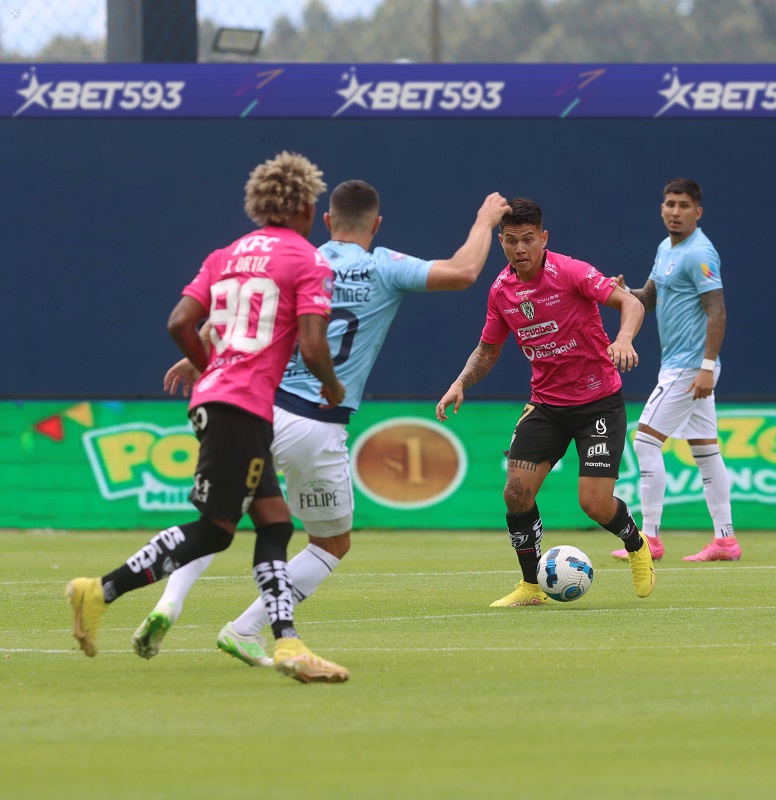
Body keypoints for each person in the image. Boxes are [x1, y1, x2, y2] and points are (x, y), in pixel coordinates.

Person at [135, 182, 512, 667]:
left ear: (328, 222)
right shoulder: (383, 267)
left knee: (217, 519)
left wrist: (202, 356)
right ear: (375, 226)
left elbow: (238, 315)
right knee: (330, 544)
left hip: (261, 410)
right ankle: (244, 628)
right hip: (320, 425)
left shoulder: (299, 262)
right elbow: (463, 272)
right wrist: (484, 221)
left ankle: (169, 603)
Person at [65, 151, 351, 683]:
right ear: (306, 206)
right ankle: (98, 591)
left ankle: (286, 643)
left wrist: (212, 366)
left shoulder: (225, 255)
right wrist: (332, 388)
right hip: (243, 406)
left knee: (274, 522)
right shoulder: (308, 261)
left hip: (217, 400)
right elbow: (313, 346)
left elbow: (180, 321)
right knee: (215, 530)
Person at [435, 197, 654, 606]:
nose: (520, 249)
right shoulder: (501, 291)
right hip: (547, 407)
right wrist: (460, 382)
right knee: (516, 493)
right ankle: (531, 587)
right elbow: (488, 349)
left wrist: (622, 339)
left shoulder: (570, 271)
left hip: (598, 403)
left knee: (593, 504)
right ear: (501, 240)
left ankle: (635, 542)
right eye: (512, 240)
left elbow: (632, 302)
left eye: (528, 240)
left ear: (544, 238)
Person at [611, 177, 738, 563]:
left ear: (697, 212)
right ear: (662, 208)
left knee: (645, 442)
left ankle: (649, 538)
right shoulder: (666, 247)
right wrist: (625, 292)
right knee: (706, 451)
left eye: (684, 205)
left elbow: (717, 312)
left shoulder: (700, 253)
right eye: (670, 204)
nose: (676, 211)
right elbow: (649, 298)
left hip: (688, 368)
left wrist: (707, 367)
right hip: (683, 367)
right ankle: (726, 540)